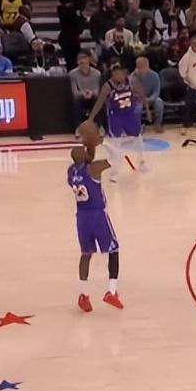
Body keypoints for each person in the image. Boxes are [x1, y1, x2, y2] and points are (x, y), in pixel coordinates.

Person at [69, 124, 122, 311]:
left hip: (81, 218)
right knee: (114, 250)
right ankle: (111, 291)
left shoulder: (71, 172)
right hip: (97, 215)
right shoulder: (94, 169)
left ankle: (83, 295)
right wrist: (102, 141)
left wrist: (89, 144)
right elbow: (117, 157)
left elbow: (84, 159)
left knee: (86, 254)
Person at [86, 63, 149, 171]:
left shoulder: (132, 81)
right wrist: (91, 118)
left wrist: (147, 109)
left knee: (137, 137)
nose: (118, 76)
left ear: (124, 73)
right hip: (116, 115)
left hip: (130, 114)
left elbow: (142, 94)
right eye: (115, 74)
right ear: (112, 75)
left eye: (120, 73)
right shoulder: (108, 86)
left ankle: (142, 161)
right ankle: (115, 168)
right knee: (116, 141)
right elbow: (99, 103)